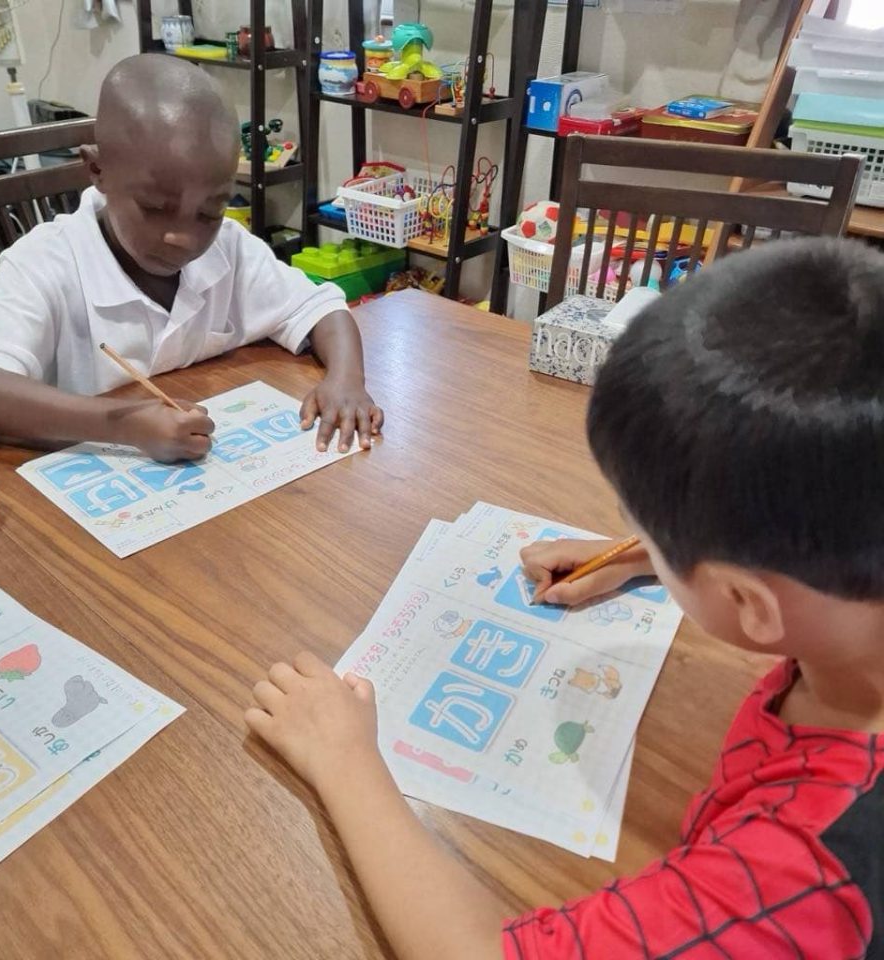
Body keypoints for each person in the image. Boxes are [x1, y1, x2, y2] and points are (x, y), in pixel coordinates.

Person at [244, 238, 884, 959]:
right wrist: (645, 556)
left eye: (642, 531)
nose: (633, 541)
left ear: (752, 602)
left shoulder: (796, 878)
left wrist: (344, 760)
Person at [0, 54, 382, 463]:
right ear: (97, 171)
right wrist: (124, 425)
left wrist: (346, 379)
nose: (183, 237)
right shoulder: (45, 263)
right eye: (155, 207)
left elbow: (321, 308)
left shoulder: (229, 247)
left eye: (210, 211)